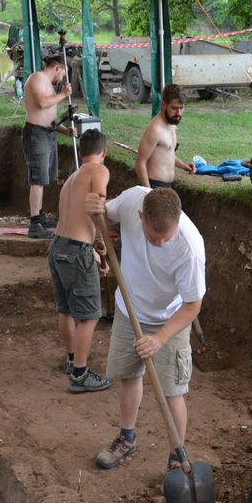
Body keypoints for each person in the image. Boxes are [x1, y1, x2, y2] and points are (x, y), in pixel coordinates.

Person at [84, 187, 206, 469]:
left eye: (167, 237)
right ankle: (126, 438)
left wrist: (159, 339)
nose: (161, 243)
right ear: (141, 217)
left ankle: (177, 458)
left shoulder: (189, 247)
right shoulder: (131, 201)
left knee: (172, 390)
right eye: (154, 237)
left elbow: (192, 305)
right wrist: (94, 210)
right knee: (128, 375)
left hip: (171, 318)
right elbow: (104, 215)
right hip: (130, 309)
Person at [50, 129, 113, 394]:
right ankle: (80, 374)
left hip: (58, 246)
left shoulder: (71, 179)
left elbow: (77, 219)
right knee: (89, 316)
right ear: (104, 153)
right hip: (76, 250)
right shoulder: (99, 170)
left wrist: (95, 251)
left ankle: (71, 357)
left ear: (80, 152)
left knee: (66, 309)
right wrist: (102, 239)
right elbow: (96, 204)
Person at [22, 55, 73, 239]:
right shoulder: (37, 78)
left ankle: (40, 216)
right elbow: (42, 103)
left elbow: (50, 117)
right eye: (64, 73)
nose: (63, 78)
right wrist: (63, 94)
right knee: (38, 179)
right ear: (58, 68)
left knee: (44, 178)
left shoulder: (49, 85)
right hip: (36, 134)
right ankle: (34, 224)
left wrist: (65, 130)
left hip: (48, 133)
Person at [134, 83, 195, 189]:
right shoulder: (155, 129)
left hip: (168, 186)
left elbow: (167, 154)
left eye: (181, 108)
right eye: (174, 108)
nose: (179, 113)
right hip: (154, 186)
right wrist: (149, 191)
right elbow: (140, 163)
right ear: (163, 105)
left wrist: (184, 166)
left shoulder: (172, 124)